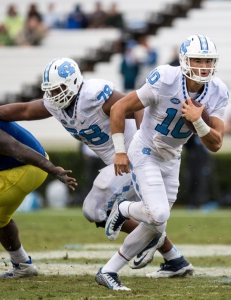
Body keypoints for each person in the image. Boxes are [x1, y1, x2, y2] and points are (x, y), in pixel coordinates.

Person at [0, 57, 193, 283]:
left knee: (95, 210)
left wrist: (143, 147)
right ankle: (174, 259)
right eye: (50, 91)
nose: (54, 95)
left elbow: (138, 106)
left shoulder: (93, 95)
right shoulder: (55, 105)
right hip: (119, 166)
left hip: (136, 157)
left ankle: (154, 239)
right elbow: (22, 110)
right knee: (99, 213)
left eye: (59, 89)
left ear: (73, 82)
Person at [99, 34, 229, 290]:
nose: (203, 67)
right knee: (158, 214)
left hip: (172, 157)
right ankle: (124, 208)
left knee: (154, 226)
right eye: (197, 60)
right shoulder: (165, 79)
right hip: (146, 150)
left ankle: (108, 270)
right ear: (184, 60)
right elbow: (118, 108)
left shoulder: (218, 91)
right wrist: (120, 151)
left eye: (207, 61)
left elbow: (216, 143)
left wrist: (198, 120)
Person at [0, 120, 77, 278]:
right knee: (1, 219)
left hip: (28, 167)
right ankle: (22, 264)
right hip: (28, 166)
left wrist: (52, 169)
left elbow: (16, 148)